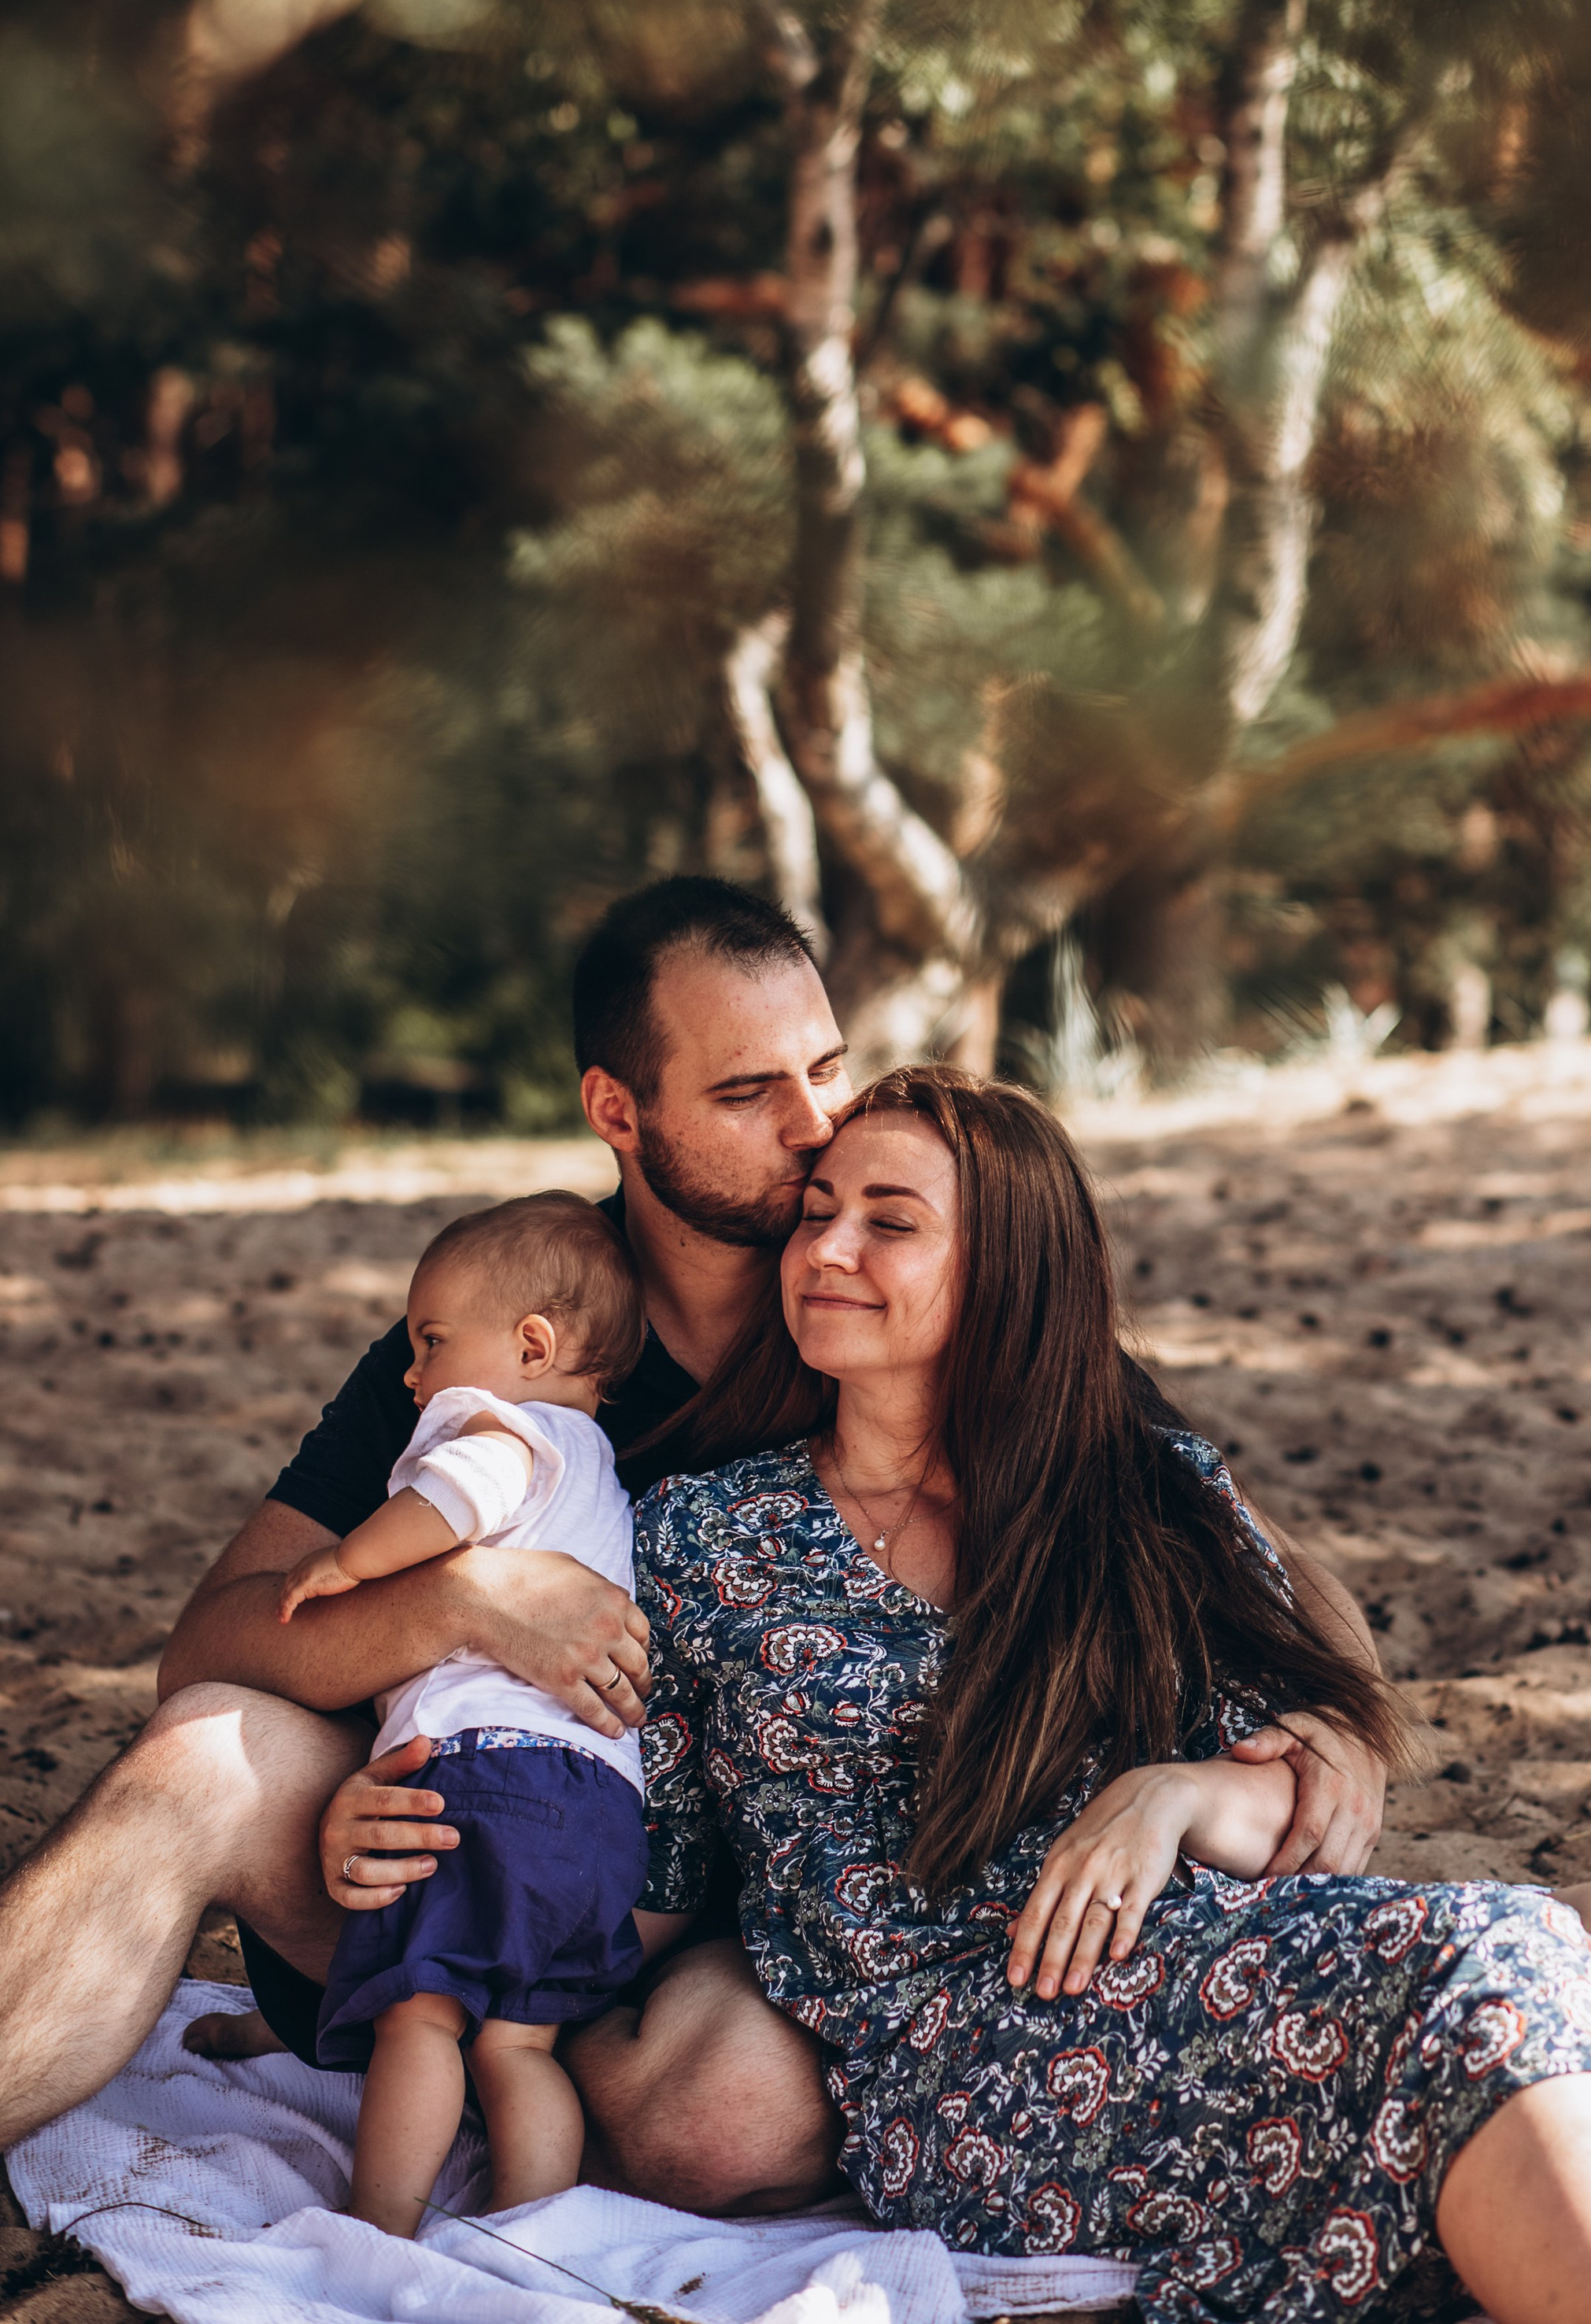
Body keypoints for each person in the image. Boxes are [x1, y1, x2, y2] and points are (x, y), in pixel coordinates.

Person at [0, 874, 1383, 2212]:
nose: (814, 1125)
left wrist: (1342, 1734)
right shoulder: (513, 1322)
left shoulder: (908, 1297)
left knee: (722, 2118)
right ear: (620, 1110)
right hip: (453, 1820)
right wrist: (464, 1603)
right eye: (746, 1093)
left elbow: (1236, 1548)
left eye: (826, 1067)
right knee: (200, 1758)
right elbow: (213, 1641)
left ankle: (490, 2083)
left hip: (758, 1910)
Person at [614, 1065, 1591, 2324]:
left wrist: (1175, 1794)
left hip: (1209, 1951)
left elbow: (1305, 1795)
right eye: (818, 1212)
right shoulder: (701, 1532)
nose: (828, 1249)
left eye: (889, 1222)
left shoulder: (1144, 1490)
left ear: (1008, 1272)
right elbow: (649, 1880)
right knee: (1484, 1966)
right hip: (974, 2061)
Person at [277, 1191, 649, 2235]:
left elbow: (457, 1498)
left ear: (532, 1346)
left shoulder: (499, 1425)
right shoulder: (597, 1466)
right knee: (518, 2044)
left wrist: (352, 1559)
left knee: (420, 2017)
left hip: (488, 1777)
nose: (412, 1374)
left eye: (431, 1341)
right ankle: (529, 2232)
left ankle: (379, 2223)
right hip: (599, 1810)